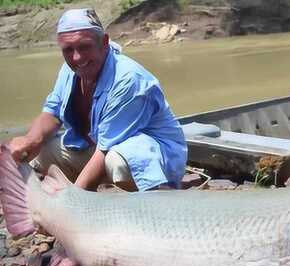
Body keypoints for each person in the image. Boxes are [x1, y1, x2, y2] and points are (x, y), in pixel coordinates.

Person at [9, 8, 187, 192]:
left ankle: (154, 193)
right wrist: (31, 139)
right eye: (68, 50)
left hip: (151, 158)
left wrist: (75, 199)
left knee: (117, 162)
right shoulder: (69, 70)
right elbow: (52, 112)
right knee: (39, 149)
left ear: (104, 42)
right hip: (98, 148)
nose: (76, 57)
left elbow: (106, 148)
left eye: (84, 46)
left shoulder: (129, 79)